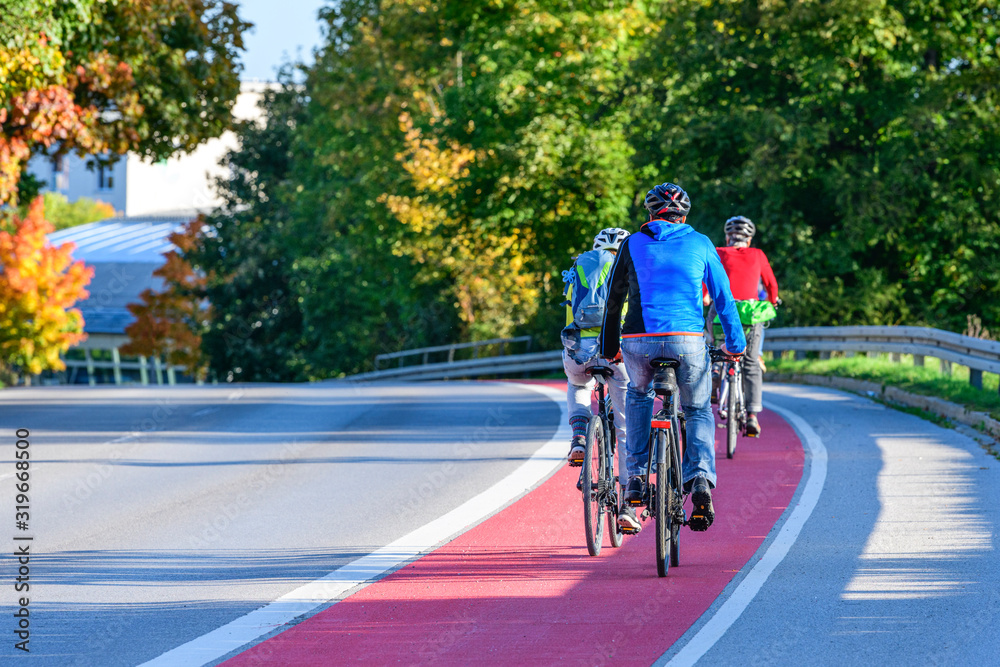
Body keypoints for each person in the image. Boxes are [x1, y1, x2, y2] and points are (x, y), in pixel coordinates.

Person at [599, 183, 745, 533]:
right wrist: (735, 345)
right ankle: (699, 482)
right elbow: (724, 300)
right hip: (688, 341)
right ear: (685, 215)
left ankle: (635, 477)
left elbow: (613, 299)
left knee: (638, 394)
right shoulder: (702, 243)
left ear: (651, 214)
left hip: (638, 341)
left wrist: (608, 348)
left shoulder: (632, 243)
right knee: (696, 409)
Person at [561, 228, 631, 490]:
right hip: (617, 348)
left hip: (580, 349)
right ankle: (628, 496)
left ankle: (579, 436)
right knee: (625, 427)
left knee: (578, 384)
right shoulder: (627, 266)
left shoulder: (580, 266)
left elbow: (568, 310)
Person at [710, 216, 779, 436]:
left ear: (728, 237)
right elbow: (771, 284)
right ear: (748, 240)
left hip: (723, 313)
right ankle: (751, 415)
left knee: (716, 347)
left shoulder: (719, 252)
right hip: (750, 315)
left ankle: (714, 369)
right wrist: (772, 299)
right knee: (750, 363)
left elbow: (707, 279)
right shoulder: (758, 254)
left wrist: (704, 296)